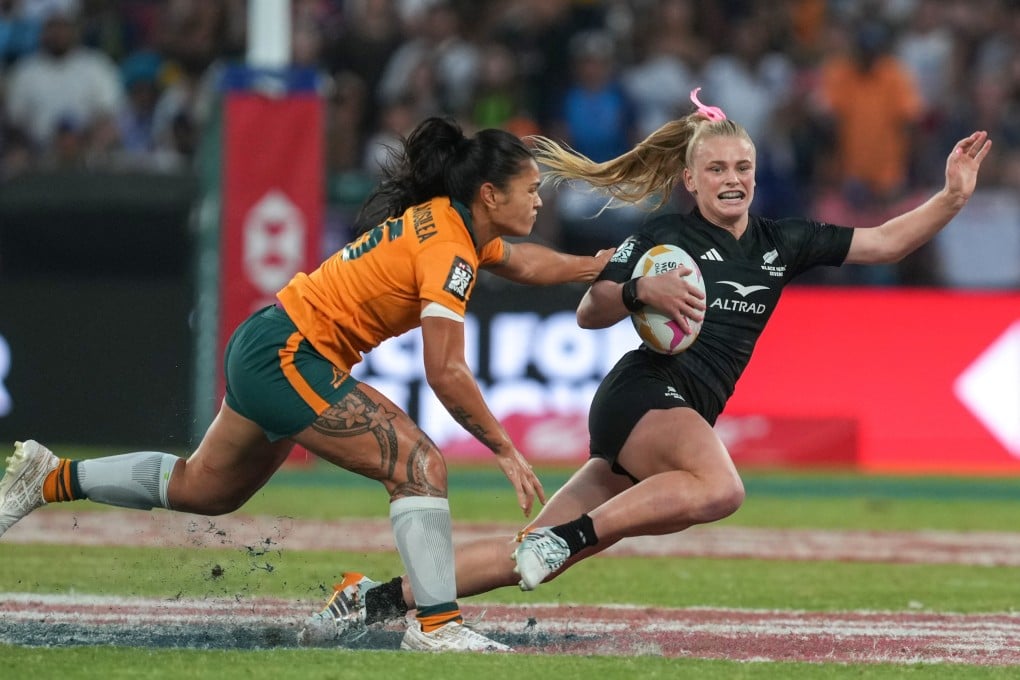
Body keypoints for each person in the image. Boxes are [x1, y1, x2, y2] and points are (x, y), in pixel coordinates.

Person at [298, 89, 992, 643]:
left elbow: (886, 242)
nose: (732, 180)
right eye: (716, 169)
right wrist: (638, 290)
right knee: (721, 489)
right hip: (643, 396)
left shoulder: (785, 242)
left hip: (670, 412)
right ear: (689, 179)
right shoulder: (664, 236)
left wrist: (953, 197)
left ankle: (375, 598)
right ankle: (566, 539)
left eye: (742, 168)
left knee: (530, 552)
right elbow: (590, 311)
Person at [0, 116, 614, 653]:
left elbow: (524, 261)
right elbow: (445, 370)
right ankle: (436, 624)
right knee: (420, 465)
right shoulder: (451, 251)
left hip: (269, 342)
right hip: (291, 355)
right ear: (489, 194)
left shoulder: (452, 226)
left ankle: (51, 476)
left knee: (204, 488)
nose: (538, 202)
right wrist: (505, 448)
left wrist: (595, 266)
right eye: (530, 190)